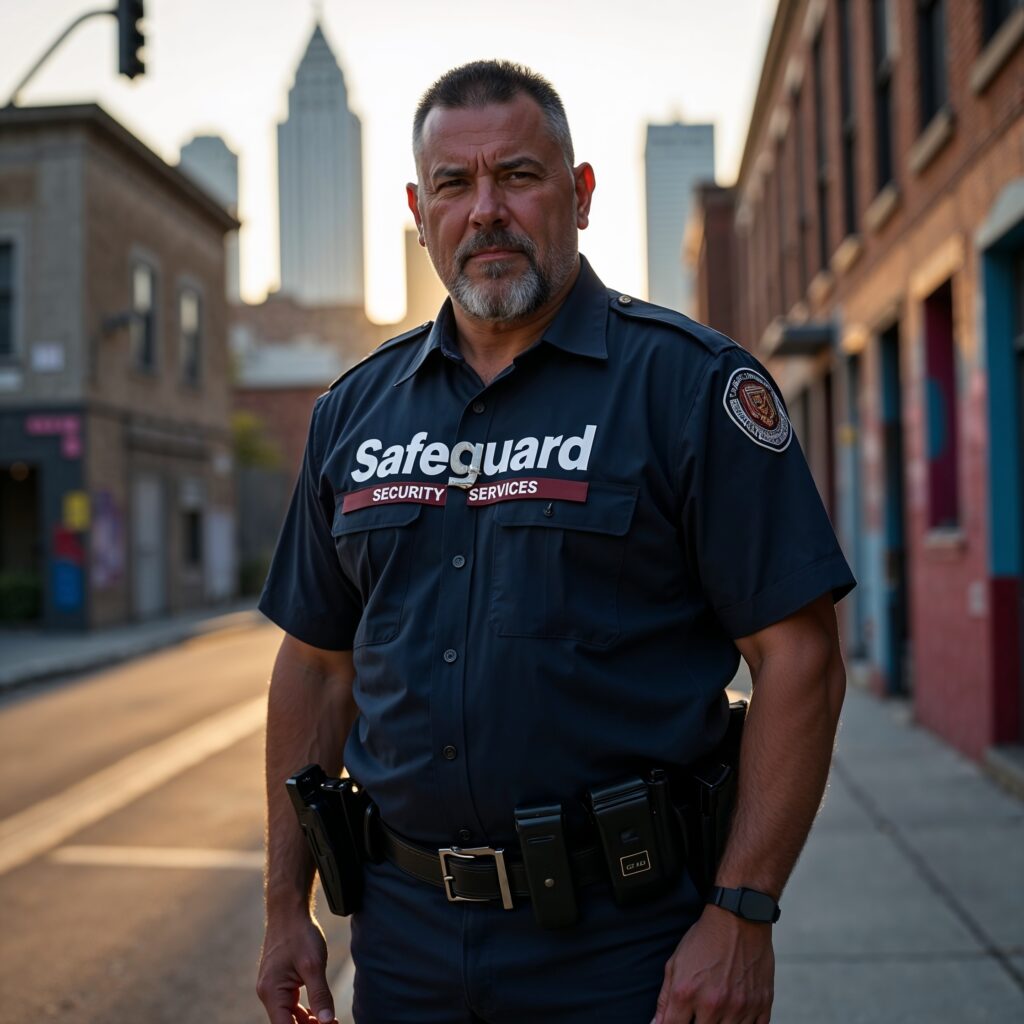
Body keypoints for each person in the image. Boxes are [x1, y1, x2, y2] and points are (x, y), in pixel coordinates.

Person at [256, 60, 854, 1024]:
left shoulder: (690, 389)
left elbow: (801, 660)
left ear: (578, 196)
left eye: (518, 176)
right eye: (455, 184)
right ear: (419, 211)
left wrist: (742, 914)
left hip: (628, 948)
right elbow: (317, 668)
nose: (485, 210)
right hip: (405, 944)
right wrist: (286, 905)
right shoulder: (353, 414)